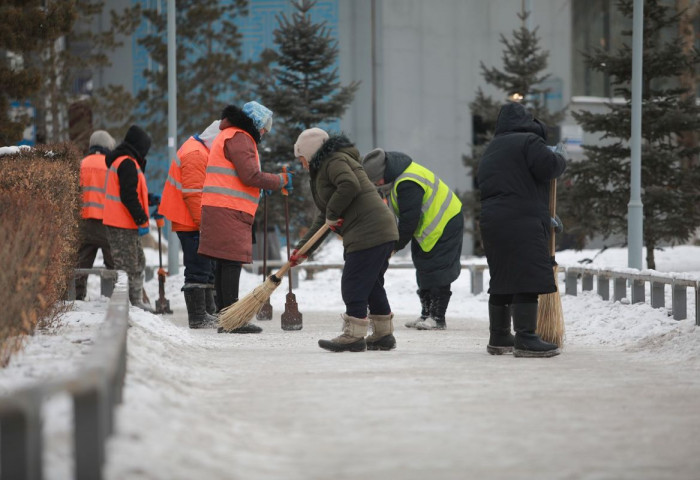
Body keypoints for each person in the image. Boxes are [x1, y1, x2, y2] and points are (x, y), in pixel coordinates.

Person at [290, 128, 399, 352]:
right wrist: (303, 250)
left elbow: (349, 185)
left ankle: (354, 336)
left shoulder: (333, 160)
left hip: (368, 230)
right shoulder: (330, 164)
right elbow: (325, 216)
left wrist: (332, 213)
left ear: (309, 153)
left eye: (301, 159)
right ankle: (383, 334)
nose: (302, 165)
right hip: (380, 229)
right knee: (371, 285)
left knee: (354, 283)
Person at [476, 101, 566, 358]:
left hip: (493, 220)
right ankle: (526, 338)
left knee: (503, 276)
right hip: (521, 219)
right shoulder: (528, 141)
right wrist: (559, 158)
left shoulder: (492, 147)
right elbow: (548, 168)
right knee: (527, 275)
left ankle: (500, 335)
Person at [198, 102, 292, 334]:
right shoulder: (240, 137)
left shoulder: (228, 134)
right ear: (256, 123)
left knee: (224, 261)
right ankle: (232, 319)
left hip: (220, 207)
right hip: (228, 209)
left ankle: (226, 317)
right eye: (263, 129)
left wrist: (262, 186)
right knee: (231, 261)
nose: (263, 134)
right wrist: (280, 180)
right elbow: (250, 175)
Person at [362, 149, 464, 330]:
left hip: (445, 221)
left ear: (383, 174)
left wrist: (394, 246)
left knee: (438, 268)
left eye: (376, 180)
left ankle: (437, 318)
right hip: (427, 226)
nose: (376, 184)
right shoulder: (395, 179)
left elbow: (409, 221)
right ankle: (426, 314)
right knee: (423, 265)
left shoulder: (407, 182)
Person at [158, 120, 220, 329]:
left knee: (206, 267)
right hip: (190, 222)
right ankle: (198, 316)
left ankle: (207, 312)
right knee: (197, 268)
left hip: (191, 220)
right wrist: (204, 225)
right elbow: (194, 194)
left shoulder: (199, 149)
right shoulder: (195, 154)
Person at [103, 125, 154, 311]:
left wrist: (150, 199)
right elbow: (128, 196)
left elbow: (133, 191)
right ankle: (132, 304)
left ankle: (135, 301)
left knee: (137, 261)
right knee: (128, 265)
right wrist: (141, 218)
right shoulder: (126, 163)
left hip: (124, 223)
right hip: (121, 223)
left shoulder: (126, 162)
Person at [75, 130, 116, 300]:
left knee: (77, 267)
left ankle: (74, 300)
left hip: (82, 225)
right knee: (115, 267)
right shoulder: (112, 166)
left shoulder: (79, 165)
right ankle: (116, 300)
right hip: (107, 224)